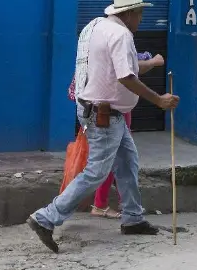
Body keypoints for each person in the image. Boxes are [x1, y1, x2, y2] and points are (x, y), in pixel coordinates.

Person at [27, 0, 179, 253]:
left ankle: (132, 218)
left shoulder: (95, 25)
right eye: (140, 14)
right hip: (105, 114)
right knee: (96, 172)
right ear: (129, 13)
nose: (141, 19)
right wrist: (159, 100)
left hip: (98, 110)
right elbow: (126, 77)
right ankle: (46, 217)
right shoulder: (121, 35)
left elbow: (116, 68)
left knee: (128, 162)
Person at [68, 52, 165, 219]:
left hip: (99, 107)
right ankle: (57, 212)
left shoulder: (95, 37)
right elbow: (128, 70)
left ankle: (130, 210)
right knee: (108, 162)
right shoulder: (114, 36)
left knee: (124, 159)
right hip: (109, 109)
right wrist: (153, 62)